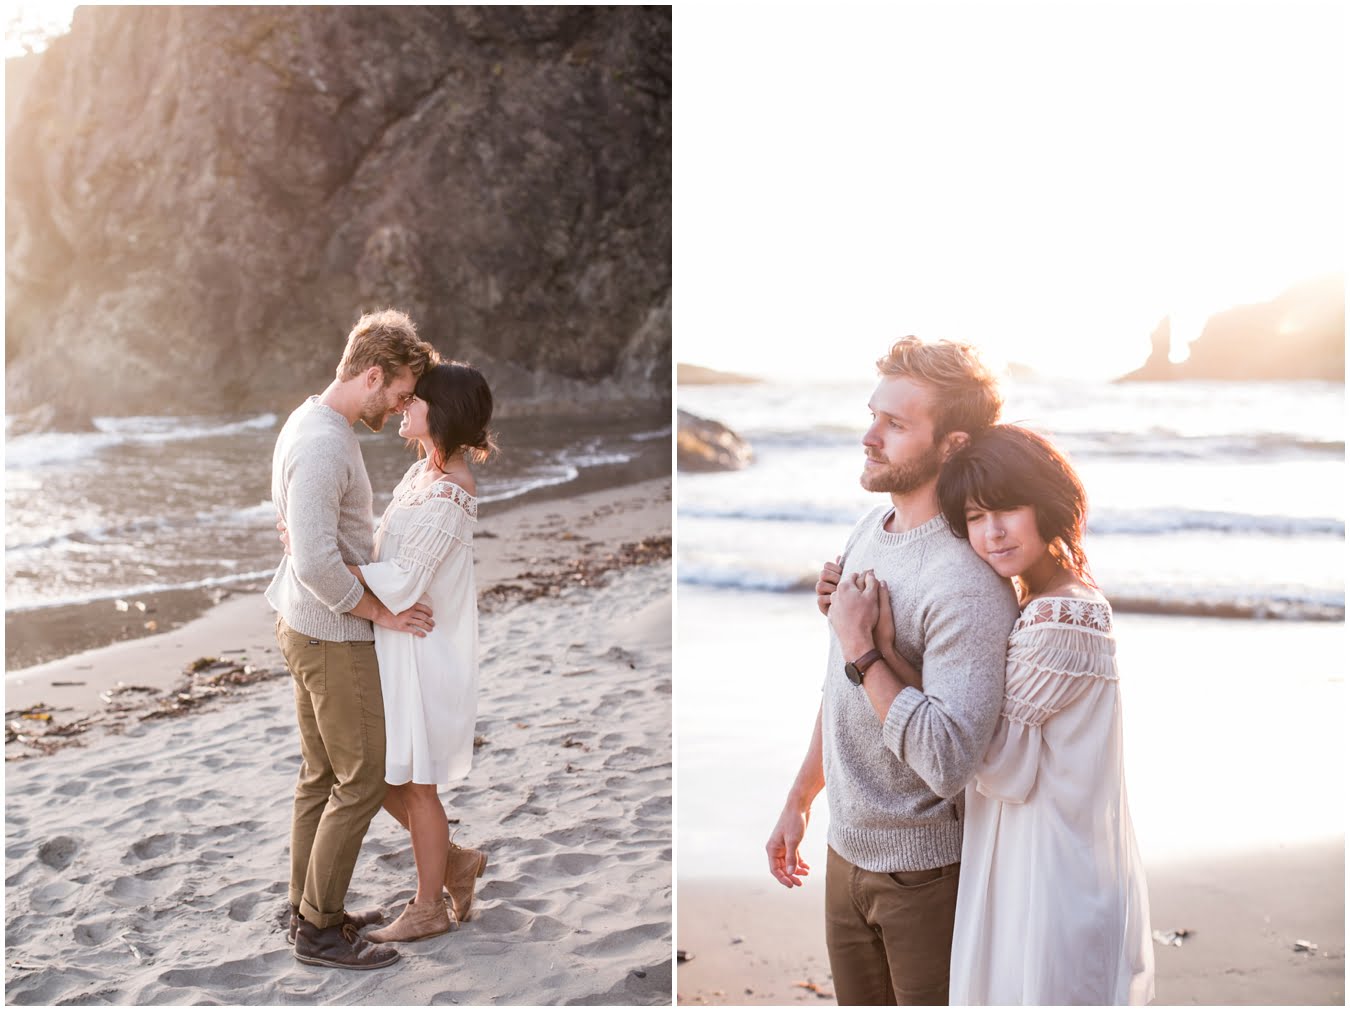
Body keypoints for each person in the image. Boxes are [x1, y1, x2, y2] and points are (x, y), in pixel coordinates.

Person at [765, 337, 1020, 1006]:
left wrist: (864, 649)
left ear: (951, 442)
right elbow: (841, 689)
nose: (869, 436)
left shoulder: (966, 581)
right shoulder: (868, 530)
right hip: (844, 850)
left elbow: (947, 759)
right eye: (873, 414)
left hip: (922, 874)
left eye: (895, 424)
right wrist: (800, 797)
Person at [934, 424, 1153, 1004]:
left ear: (1047, 505)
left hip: (1047, 876)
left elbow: (1000, 764)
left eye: (1007, 509)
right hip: (1053, 860)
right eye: (975, 518)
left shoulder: (1057, 617)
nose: (992, 532)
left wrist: (874, 656)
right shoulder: (1053, 600)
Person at [267, 309, 439, 970]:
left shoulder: (310, 421)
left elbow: (300, 534)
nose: (401, 404)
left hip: (302, 623)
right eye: (398, 391)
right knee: (362, 777)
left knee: (320, 773)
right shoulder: (324, 442)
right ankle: (318, 931)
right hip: (329, 633)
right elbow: (313, 562)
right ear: (372, 374)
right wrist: (381, 611)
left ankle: (309, 906)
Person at [348, 361, 495, 944]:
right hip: (399, 643)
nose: (404, 404)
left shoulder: (451, 491)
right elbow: (387, 547)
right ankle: (454, 862)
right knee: (379, 774)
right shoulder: (421, 475)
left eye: (416, 398)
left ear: (444, 411)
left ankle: (428, 906)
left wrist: (329, 567)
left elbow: (406, 579)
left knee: (417, 785)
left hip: (426, 653)